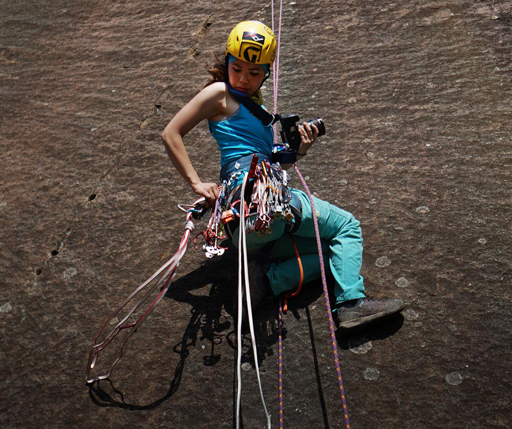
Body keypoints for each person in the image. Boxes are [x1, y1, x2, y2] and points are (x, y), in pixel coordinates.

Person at [162, 20, 404, 330]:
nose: (244, 78)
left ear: (266, 74)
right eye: (237, 68)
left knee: (333, 253)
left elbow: (271, 166)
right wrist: (196, 183)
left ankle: (267, 280)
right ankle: (351, 304)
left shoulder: (255, 110)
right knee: (347, 227)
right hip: (258, 203)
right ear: (227, 62)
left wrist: (299, 150)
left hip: (247, 223)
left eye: (254, 73)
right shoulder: (219, 93)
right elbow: (171, 133)